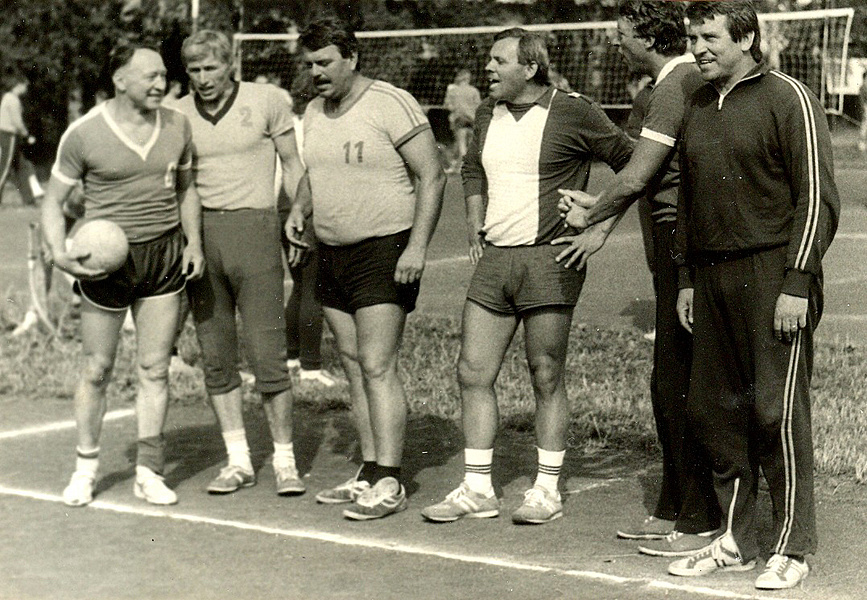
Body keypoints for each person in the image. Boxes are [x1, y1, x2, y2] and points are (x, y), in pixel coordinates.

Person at [420, 28, 632, 525]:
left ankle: (547, 490)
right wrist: (474, 221)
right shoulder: (486, 112)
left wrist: (598, 228)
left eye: (499, 61)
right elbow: (473, 169)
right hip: (496, 259)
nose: (488, 69)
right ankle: (478, 489)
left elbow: (633, 166)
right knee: (472, 371)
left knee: (546, 373)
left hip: (549, 260)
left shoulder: (574, 111)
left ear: (530, 68)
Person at [670, 2, 838, 589]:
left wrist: (796, 281)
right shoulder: (697, 103)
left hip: (773, 275)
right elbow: (688, 200)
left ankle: (792, 546)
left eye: (709, 36)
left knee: (775, 411)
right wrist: (687, 277)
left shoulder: (789, 97)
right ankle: (736, 539)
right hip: (712, 278)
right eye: (693, 37)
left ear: (745, 38)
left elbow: (817, 198)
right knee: (715, 411)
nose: (698, 48)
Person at [557, 1, 721, 555]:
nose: (614, 41)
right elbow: (637, 178)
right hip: (670, 240)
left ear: (649, 37)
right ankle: (678, 505)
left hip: (683, 244)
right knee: (669, 380)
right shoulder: (663, 87)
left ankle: (699, 516)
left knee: (678, 381)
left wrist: (592, 213)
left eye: (621, 33)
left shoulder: (675, 86)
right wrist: (601, 220)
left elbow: (637, 177)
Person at [285, 17, 445, 520]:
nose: (316, 73)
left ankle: (392, 480)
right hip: (331, 251)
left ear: (352, 57)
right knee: (353, 364)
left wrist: (417, 247)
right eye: (310, 64)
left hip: (384, 248)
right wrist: (298, 208)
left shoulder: (390, 102)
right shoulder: (314, 110)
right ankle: (371, 470)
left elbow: (432, 175)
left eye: (325, 62)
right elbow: (315, 171)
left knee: (377, 363)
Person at [42, 42, 205, 507]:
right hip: (106, 264)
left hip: (163, 256)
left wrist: (193, 243)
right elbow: (52, 202)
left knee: (155, 368)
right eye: (150, 75)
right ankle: (85, 469)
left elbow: (187, 190)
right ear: (119, 80)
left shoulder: (178, 125)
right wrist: (58, 252)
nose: (161, 83)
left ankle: (149, 471)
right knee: (97, 369)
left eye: (163, 76)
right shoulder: (84, 133)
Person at [175, 30, 307, 497]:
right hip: (202, 237)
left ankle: (285, 461)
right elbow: (182, 186)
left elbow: (293, 163)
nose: (203, 78)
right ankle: (238, 460)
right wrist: (191, 242)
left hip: (255, 231)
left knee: (268, 354)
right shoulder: (177, 113)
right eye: (194, 69)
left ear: (230, 63)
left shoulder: (267, 100)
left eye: (211, 67)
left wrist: (298, 211)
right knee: (216, 355)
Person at [279, 68, 339, 387]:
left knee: (300, 285)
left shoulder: (286, 123)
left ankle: (292, 357)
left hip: (281, 205)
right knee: (314, 286)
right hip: (304, 206)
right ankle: (311, 367)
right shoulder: (318, 123)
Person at [0, 74, 44, 206]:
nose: (26, 89)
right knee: (5, 168)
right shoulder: (13, 100)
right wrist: (27, 135)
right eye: (25, 86)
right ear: (18, 85)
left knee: (22, 167)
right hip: (9, 136)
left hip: (9, 135)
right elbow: (17, 122)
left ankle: (29, 199)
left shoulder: (7, 97)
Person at [442, 69, 481, 173]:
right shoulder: (474, 91)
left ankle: (464, 167)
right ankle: (456, 165)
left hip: (459, 119)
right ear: (468, 79)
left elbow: (448, 106)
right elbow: (478, 106)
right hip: (472, 120)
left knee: (461, 145)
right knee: (469, 145)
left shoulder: (453, 91)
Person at [858, 75, 867, 152]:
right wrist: (864, 108)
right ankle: (862, 143)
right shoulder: (862, 87)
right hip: (865, 108)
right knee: (864, 126)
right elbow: (861, 100)